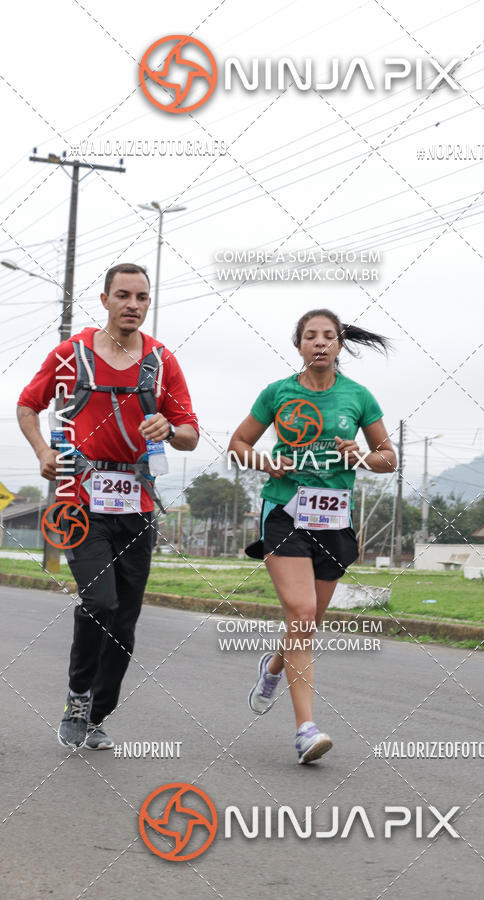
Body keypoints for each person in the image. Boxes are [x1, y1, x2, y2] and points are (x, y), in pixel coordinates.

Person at [17, 263, 199, 750]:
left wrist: (169, 429)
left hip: (137, 503)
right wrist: (42, 451)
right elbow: (26, 405)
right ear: (104, 300)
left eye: (141, 297)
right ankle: (77, 698)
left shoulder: (161, 363)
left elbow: (190, 434)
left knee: (124, 618)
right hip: (80, 500)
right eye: (123, 296)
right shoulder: (70, 355)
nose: (132, 305)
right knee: (100, 602)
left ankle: (96, 715)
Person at [228, 309, 396, 764]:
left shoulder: (358, 397)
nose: (319, 343)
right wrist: (266, 463)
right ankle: (306, 730)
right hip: (284, 512)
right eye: (310, 337)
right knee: (301, 614)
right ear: (298, 345)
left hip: (334, 521)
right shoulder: (277, 393)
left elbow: (389, 459)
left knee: (307, 624)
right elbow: (237, 444)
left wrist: (360, 456)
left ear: (340, 345)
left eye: (328, 336)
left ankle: (273, 666)